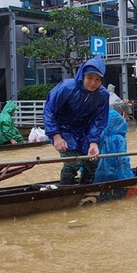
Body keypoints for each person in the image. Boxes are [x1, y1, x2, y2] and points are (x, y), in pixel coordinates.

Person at [43, 55, 110, 185]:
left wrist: (93, 142)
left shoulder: (102, 95)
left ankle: (86, 190)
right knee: (72, 163)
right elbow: (49, 110)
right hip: (63, 128)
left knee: (92, 161)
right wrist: (55, 135)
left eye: (97, 79)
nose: (93, 83)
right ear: (82, 76)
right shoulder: (67, 87)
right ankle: (65, 191)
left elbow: (99, 120)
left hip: (85, 130)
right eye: (90, 78)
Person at [94, 109, 134, 183]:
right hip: (116, 175)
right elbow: (123, 159)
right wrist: (128, 176)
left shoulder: (99, 138)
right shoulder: (119, 139)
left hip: (100, 174)